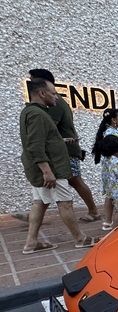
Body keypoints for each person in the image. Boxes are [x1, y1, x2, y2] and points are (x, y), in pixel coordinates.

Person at [19, 78, 99, 254]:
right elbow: (35, 145)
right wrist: (47, 172)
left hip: (44, 168)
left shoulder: (31, 112)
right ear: (42, 93)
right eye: (54, 93)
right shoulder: (37, 115)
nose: (56, 98)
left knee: (39, 203)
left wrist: (60, 140)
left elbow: (41, 140)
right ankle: (80, 239)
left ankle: (31, 243)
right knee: (65, 203)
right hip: (52, 168)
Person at [28, 69, 100, 223]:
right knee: (53, 185)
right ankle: (35, 217)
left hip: (65, 151)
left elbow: (48, 131)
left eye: (33, 80)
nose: (30, 83)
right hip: (64, 149)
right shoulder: (51, 103)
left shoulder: (53, 104)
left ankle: (93, 212)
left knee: (74, 181)